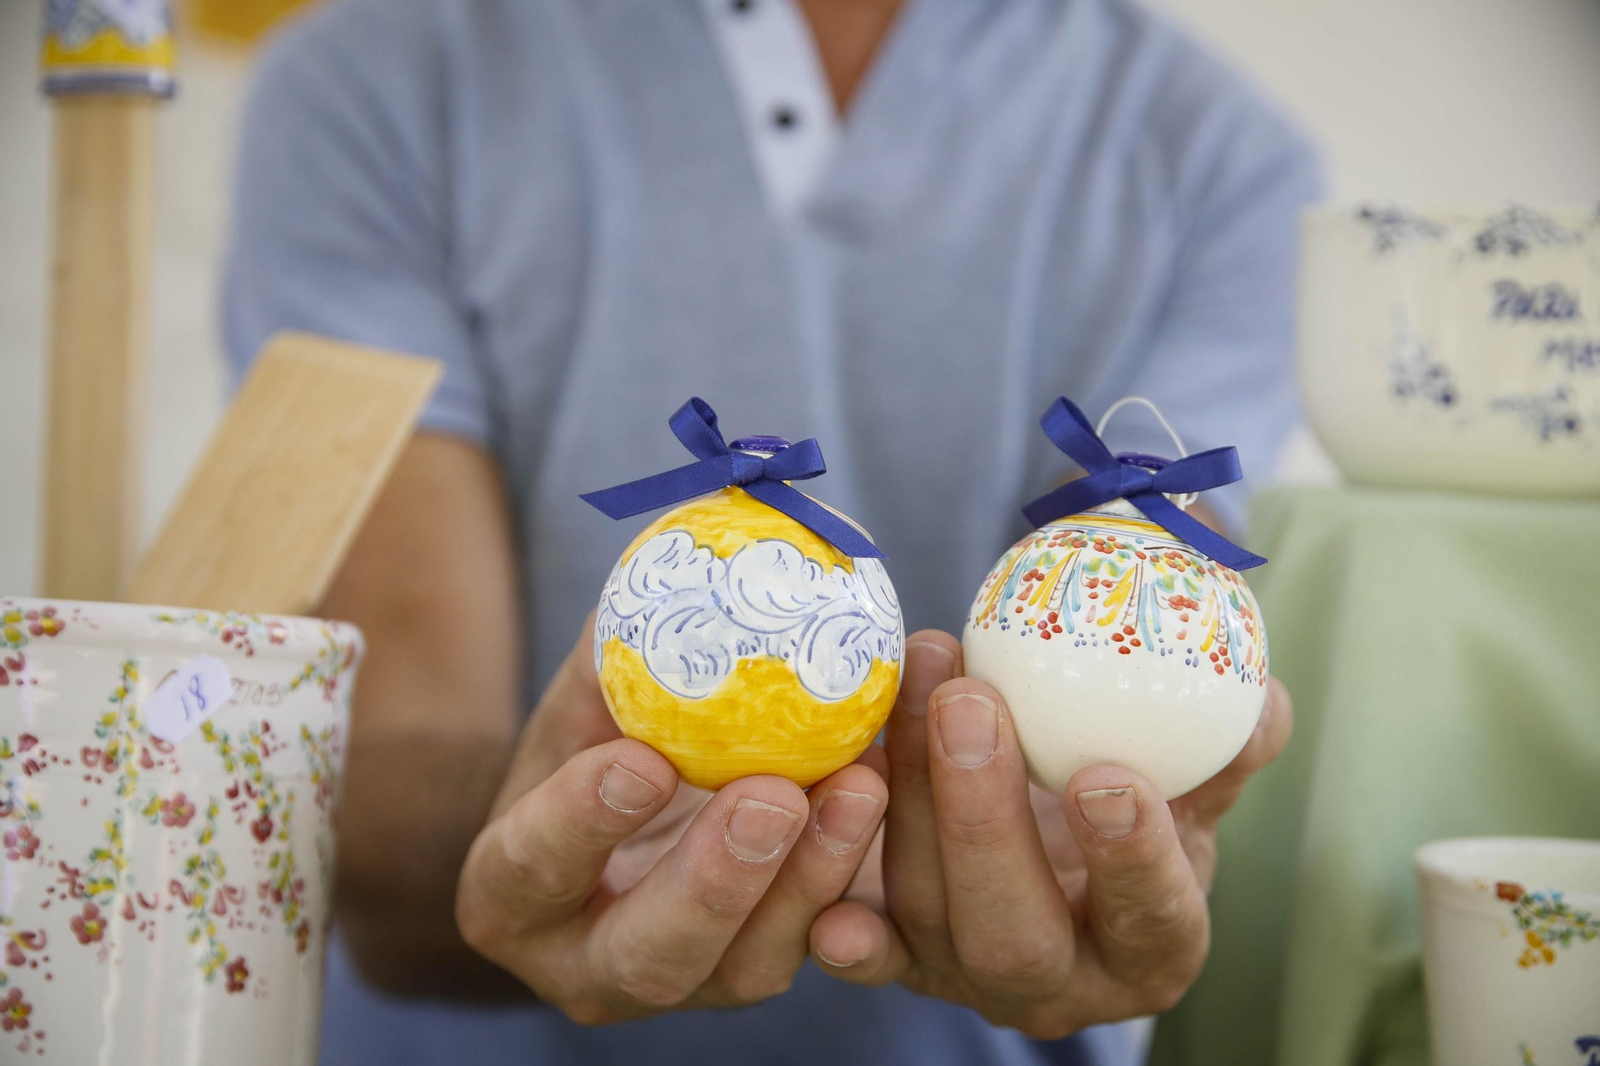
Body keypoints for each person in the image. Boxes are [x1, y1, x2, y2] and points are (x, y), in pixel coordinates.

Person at [223, 0, 1316, 1062]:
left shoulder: (1224, 158)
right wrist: (576, 843)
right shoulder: (384, 71)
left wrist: (1093, 818)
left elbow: (1152, 591)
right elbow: (382, 774)